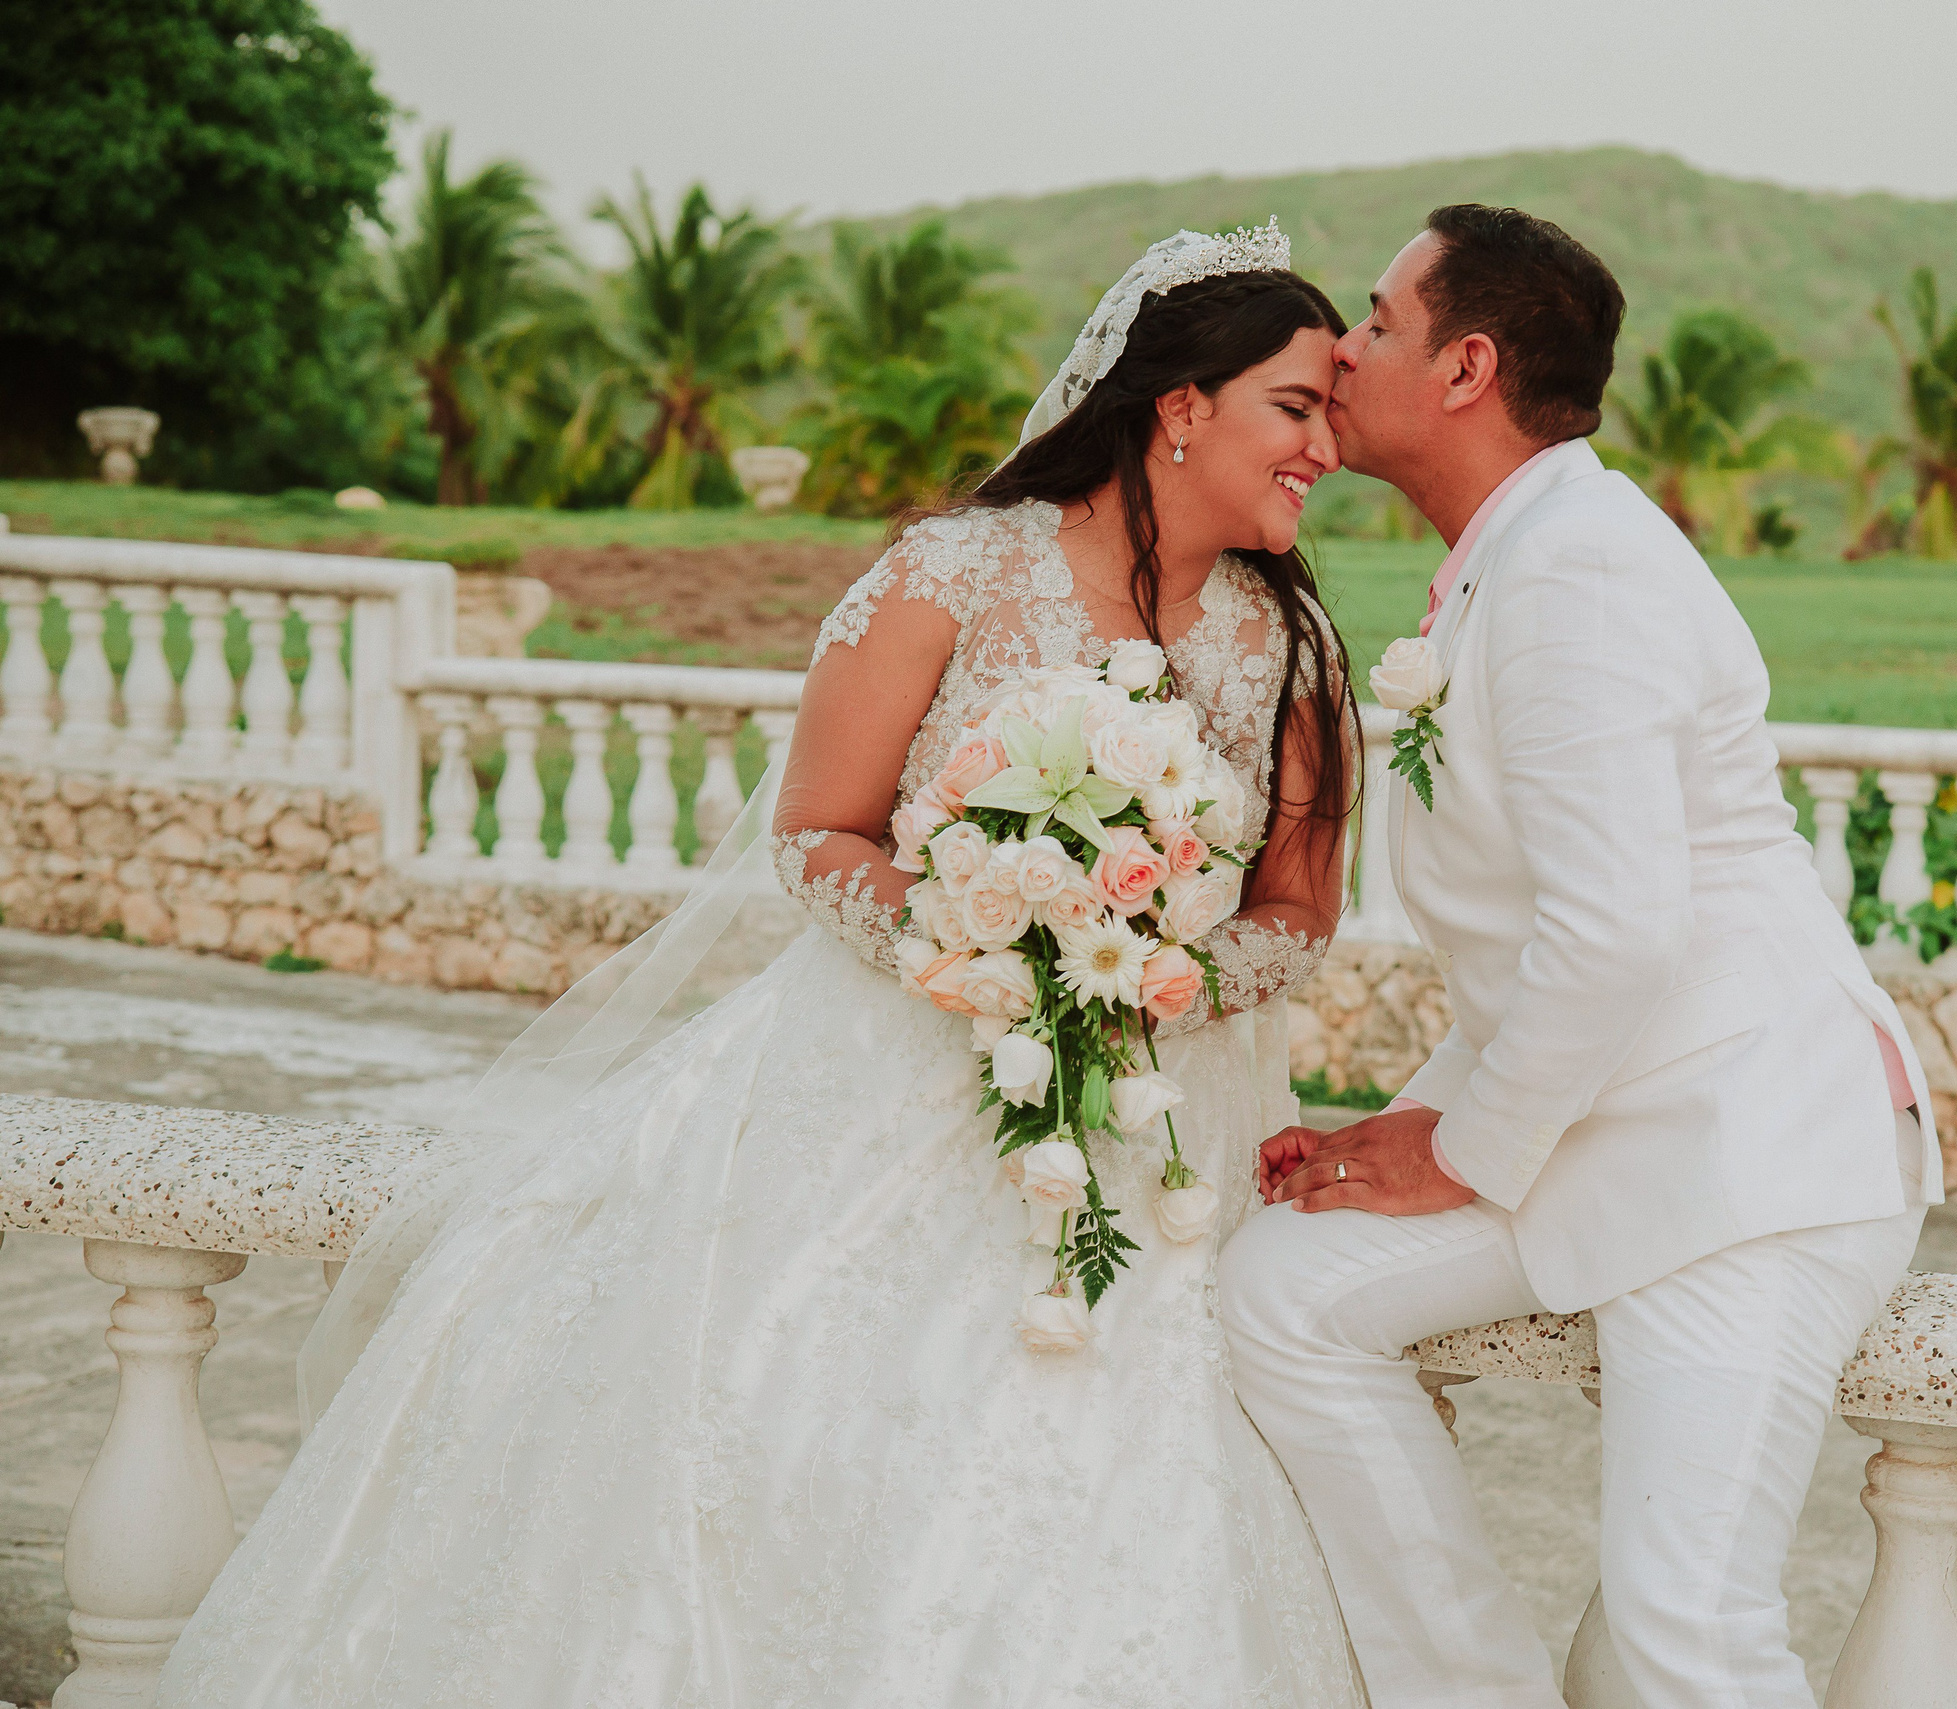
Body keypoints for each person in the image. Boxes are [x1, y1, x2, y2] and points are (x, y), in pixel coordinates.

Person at [157, 225, 1370, 1709]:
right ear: (1183, 404)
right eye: (1299, 406)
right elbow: (818, 833)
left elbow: (1298, 913)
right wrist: (978, 938)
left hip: (1148, 1126)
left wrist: (1146, 976)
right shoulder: (955, 571)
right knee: (784, 1408)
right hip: (880, 1077)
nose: (1328, 446)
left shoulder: (1287, 645)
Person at [1220, 204, 1942, 1709]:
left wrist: (1463, 1155)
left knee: (1690, 1630)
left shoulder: (1578, 572)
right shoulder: (1515, 556)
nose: (1343, 350)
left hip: (1745, 1155)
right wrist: (1420, 1122)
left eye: (1377, 320)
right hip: (1607, 1123)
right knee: (1283, 1294)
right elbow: (1543, 941)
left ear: (1466, 364)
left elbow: (1616, 934)